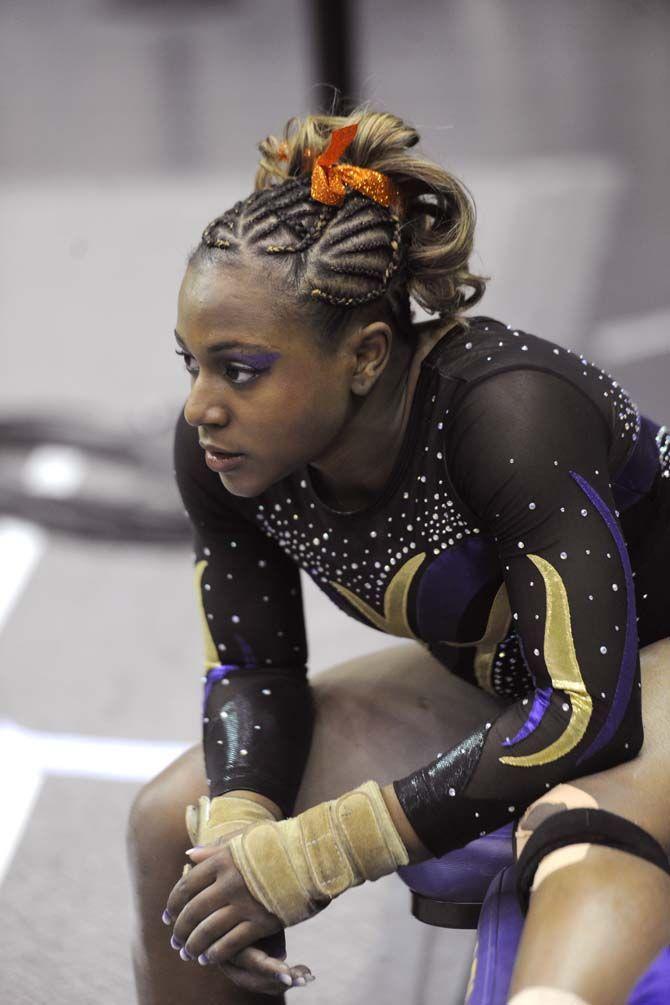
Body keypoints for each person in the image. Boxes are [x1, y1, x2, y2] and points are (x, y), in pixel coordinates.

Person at [126, 107, 670, 1005]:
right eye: (192, 365)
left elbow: (586, 712)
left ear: (368, 355)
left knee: (574, 830)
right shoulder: (230, 455)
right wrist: (244, 821)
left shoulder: (509, 412)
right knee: (172, 831)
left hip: (636, 671)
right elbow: (256, 665)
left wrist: (320, 851)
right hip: (517, 673)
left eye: (241, 368)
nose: (201, 406)